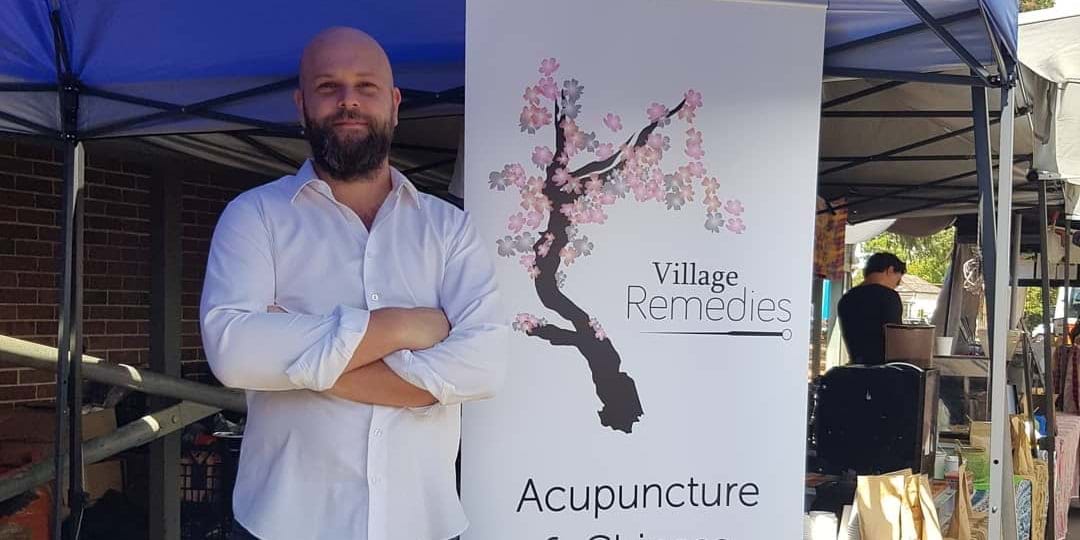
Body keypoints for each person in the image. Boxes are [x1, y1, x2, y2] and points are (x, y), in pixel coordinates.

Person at [199, 27, 507, 540]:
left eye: (366, 86)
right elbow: (234, 353)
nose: (348, 102)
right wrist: (403, 327)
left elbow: (485, 366)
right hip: (284, 524)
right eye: (328, 87)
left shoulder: (449, 228)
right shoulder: (254, 216)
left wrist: (297, 361)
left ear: (394, 102)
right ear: (301, 105)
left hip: (422, 523)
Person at [836, 252, 906, 365]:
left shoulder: (846, 299)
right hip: (883, 370)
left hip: (855, 367)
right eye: (897, 281)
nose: (896, 285)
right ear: (890, 270)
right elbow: (894, 338)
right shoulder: (889, 297)